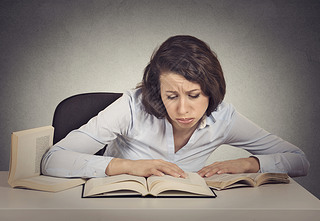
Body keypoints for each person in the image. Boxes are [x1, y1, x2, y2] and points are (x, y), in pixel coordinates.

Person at [41, 35, 309, 179]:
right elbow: (53, 160)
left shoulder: (224, 117)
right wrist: (128, 167)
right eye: (172, 96)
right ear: (158, 92)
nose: (183, 110)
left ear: (211, 91)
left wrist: (249, 164)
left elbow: (299, 161)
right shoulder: (132, 106)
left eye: (194, 95)